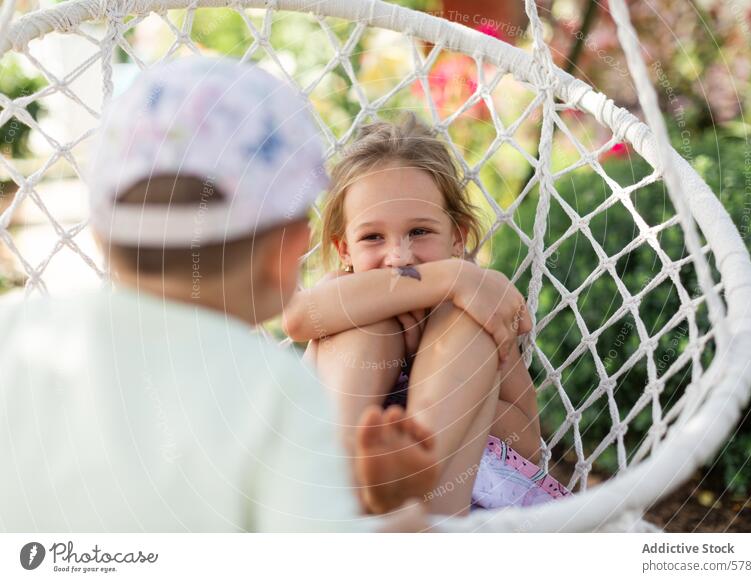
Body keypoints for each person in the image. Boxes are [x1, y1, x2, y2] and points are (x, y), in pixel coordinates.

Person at [0, 57, 438, 532]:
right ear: (288, 250)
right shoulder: (274, 391)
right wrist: (401, 508)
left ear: (102, 234)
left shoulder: (16, 334)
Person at [283, 116, 570, 516]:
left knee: (467, 325)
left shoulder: (478, 308)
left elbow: (527, 443)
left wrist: (455, 384)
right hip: (326, 475)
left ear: (458, 235)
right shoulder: (340, 293)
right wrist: (450, 276)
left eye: (419, 231)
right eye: (372, 237)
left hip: (446, 499)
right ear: (344, 249)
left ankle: (405, 482)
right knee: (363, 318)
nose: (398, 256)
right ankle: (342, 480)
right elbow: (295, 318)